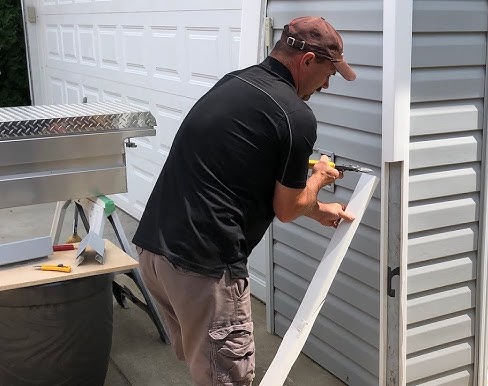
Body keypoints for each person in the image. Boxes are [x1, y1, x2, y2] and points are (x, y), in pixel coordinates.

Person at [132, 16, 357, 386]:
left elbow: (245, 167)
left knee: (205, 368)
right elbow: (286, 209)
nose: (328, 83)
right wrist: (317, 177)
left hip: (156, 253)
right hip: (204, 267)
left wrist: (318, 210)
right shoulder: (296, 115)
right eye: (329, 71)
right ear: (307, 61)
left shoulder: (234, 83)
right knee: (227, 378)